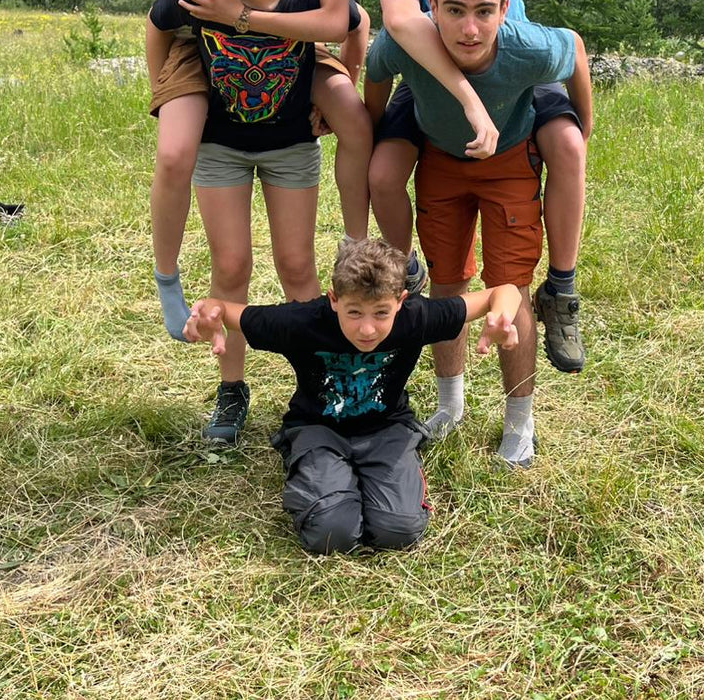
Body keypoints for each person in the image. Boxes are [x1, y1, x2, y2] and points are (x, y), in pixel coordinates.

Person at [371, 0, 704, 375]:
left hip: (515, 72)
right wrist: (466, 104)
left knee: (568, 144)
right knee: (383, 171)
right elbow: (401, 25)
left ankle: (561, 287)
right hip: (431, 77)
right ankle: (405, 268)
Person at [15, 0, 372, 343]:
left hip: (290, 34)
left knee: (353, 116)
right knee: (176, 152)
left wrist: (333, 72)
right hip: (200, 38)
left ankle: (359, 247)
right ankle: (168, 278)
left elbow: (342, 17)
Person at [365, 0, 591, 469]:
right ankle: (450, 404)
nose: (469, 28)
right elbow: (375, 76)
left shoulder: (529, 47)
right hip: (441, 162)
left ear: (505, 9)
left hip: (509, 162)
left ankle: (520, 422)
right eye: (455, 10)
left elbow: (575, 50)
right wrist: (373, 133)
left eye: (484, 11)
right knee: (446, 284)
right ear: (432, 6)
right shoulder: (404, 42)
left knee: (511, 289)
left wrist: (584, 126)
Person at [147, 0, 342, 444]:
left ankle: (318, 385)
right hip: (222, 147)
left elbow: (351, 25)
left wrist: (341, 84)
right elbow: (157, 24)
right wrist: (165, 88)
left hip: (291, 146)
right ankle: (231, 389)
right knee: (230, 267)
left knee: (298, 268)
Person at [184, 238, 521, 555]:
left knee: (398, 531)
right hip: (317, 429)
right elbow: (222, 308)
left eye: (381, 313)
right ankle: (321, 479)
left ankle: (375, 484)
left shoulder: (416, 317)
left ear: (401, 301)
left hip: (387, 428)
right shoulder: (302, 322)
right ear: (334, 299)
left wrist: (501, 315)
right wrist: (208, 316)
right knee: (333, 534)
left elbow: (503, 291)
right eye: (354, 312)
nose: (367, 329)